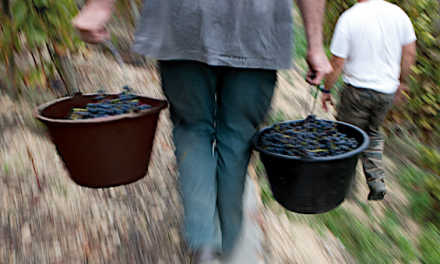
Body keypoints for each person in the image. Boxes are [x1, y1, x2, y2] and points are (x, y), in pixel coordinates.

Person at [73, 0, 332, 263]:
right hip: (257, 27)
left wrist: (101, 5)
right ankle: (226, 246)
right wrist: (315, 44)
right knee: (238, 136)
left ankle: (204, 246)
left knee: (192, 129)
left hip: (182, 20)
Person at [321, 0, 417, 201]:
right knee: (372, 133)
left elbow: (337, 62)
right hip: (386, 93)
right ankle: (376, 181)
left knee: (347, 136)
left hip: (357, 90)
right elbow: (409, 53)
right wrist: (402, 81)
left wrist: (326, 89)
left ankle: (344, 190)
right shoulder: (399, 15)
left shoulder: (350, 17)